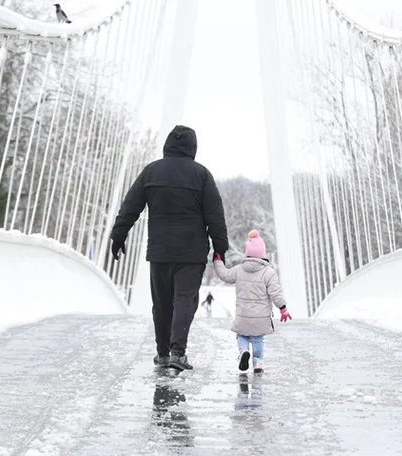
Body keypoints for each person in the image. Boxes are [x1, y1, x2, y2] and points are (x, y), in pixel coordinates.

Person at [110, 125, 229, 372]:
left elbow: (130, 206)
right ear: (193, 147)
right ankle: (178, 353)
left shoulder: (151, 172)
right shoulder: (202, 175)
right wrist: (220, 249)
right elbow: (215, 216)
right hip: (192, 253)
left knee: (162, 303)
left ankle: (163, 353)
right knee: (185, 300)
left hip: (160, 252)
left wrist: (118, 236)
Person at [213, 230, 292, 374]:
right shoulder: (269, 273)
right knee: (258, 338)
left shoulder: (238, 270)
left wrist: (218, 261)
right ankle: (258, 363)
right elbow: (276, 293)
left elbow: (224, 275)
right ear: (263, 254)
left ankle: (243, 351)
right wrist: (283, 307)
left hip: (243, 315)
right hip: (261, 317)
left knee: (242, 334)